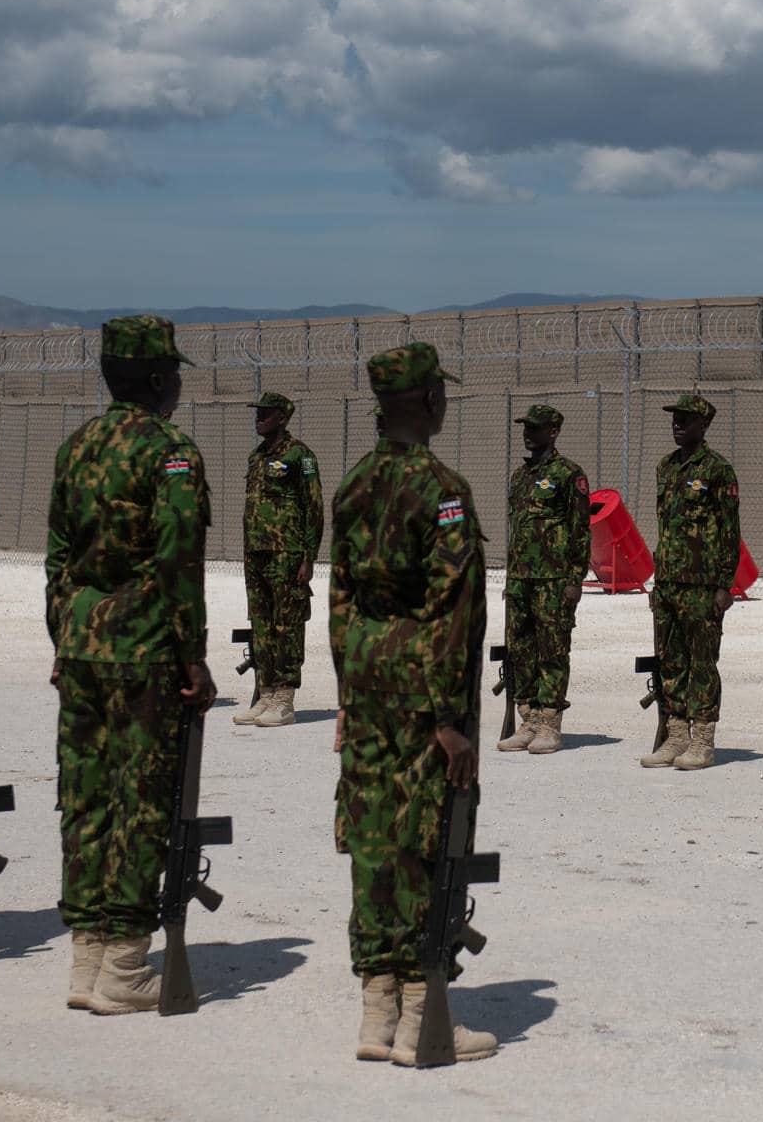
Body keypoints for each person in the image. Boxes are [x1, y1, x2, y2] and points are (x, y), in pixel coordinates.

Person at [331, 342, 497, 1064]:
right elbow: (452, 612)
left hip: (369, 686)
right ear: (429, 402)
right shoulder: (443, 490)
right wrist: (447, 720)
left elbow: (339, 600)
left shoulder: (355, 484)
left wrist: (347, 690)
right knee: (427, 839)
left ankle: (378, 1010)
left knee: (372, 838)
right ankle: (425, 1013)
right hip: (423, 696)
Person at [44, 315, 214, 1014]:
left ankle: (87, 954)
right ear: (154, 380)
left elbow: (57, 556)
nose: (177, 386)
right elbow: (177, 560)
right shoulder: (169, 451)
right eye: (171, 374)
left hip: (83, 643)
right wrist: (193, 654)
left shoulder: (76, 446)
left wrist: (65, 634)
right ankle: (123, 963)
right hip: (143, 646)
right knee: (143, 800)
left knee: (87, 796)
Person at [641, 394, 740, 771]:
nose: (677, 424)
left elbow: (730, 531)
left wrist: (723, 584)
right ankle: (676, 734)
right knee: (670, 661)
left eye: (686, 418)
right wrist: (658, 580)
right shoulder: (666, 467)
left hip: (702, 585)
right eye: (675, 418)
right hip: (669, 582)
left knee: (702, 663)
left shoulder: (717, 470)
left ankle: (702, 740)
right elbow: (665, 526)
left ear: (705, 425)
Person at [498, 403, 591, 755]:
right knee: (521, 648)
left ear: (552, 432)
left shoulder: (569, 474)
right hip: (521, 578)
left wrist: (574, 578)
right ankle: (529, 718)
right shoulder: (519, 476)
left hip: (554, 579)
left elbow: (580, 530)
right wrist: (511, 577)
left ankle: (550, 722)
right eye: (525, 426)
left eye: (534, 428)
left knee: (552, 649)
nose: (527, 432)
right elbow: (517, 530)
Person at [235, 392, 323, 728]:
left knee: (286, 624)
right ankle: (266, 692)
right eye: (258, 413)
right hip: (255, 553)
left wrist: (308, 557)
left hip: (286, 553)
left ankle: (285, 698)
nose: (259, 419)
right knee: (262, 625)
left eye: (265, 414)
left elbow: (313, 509)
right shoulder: (256, 456)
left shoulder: (300, 455)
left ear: (282, 418)